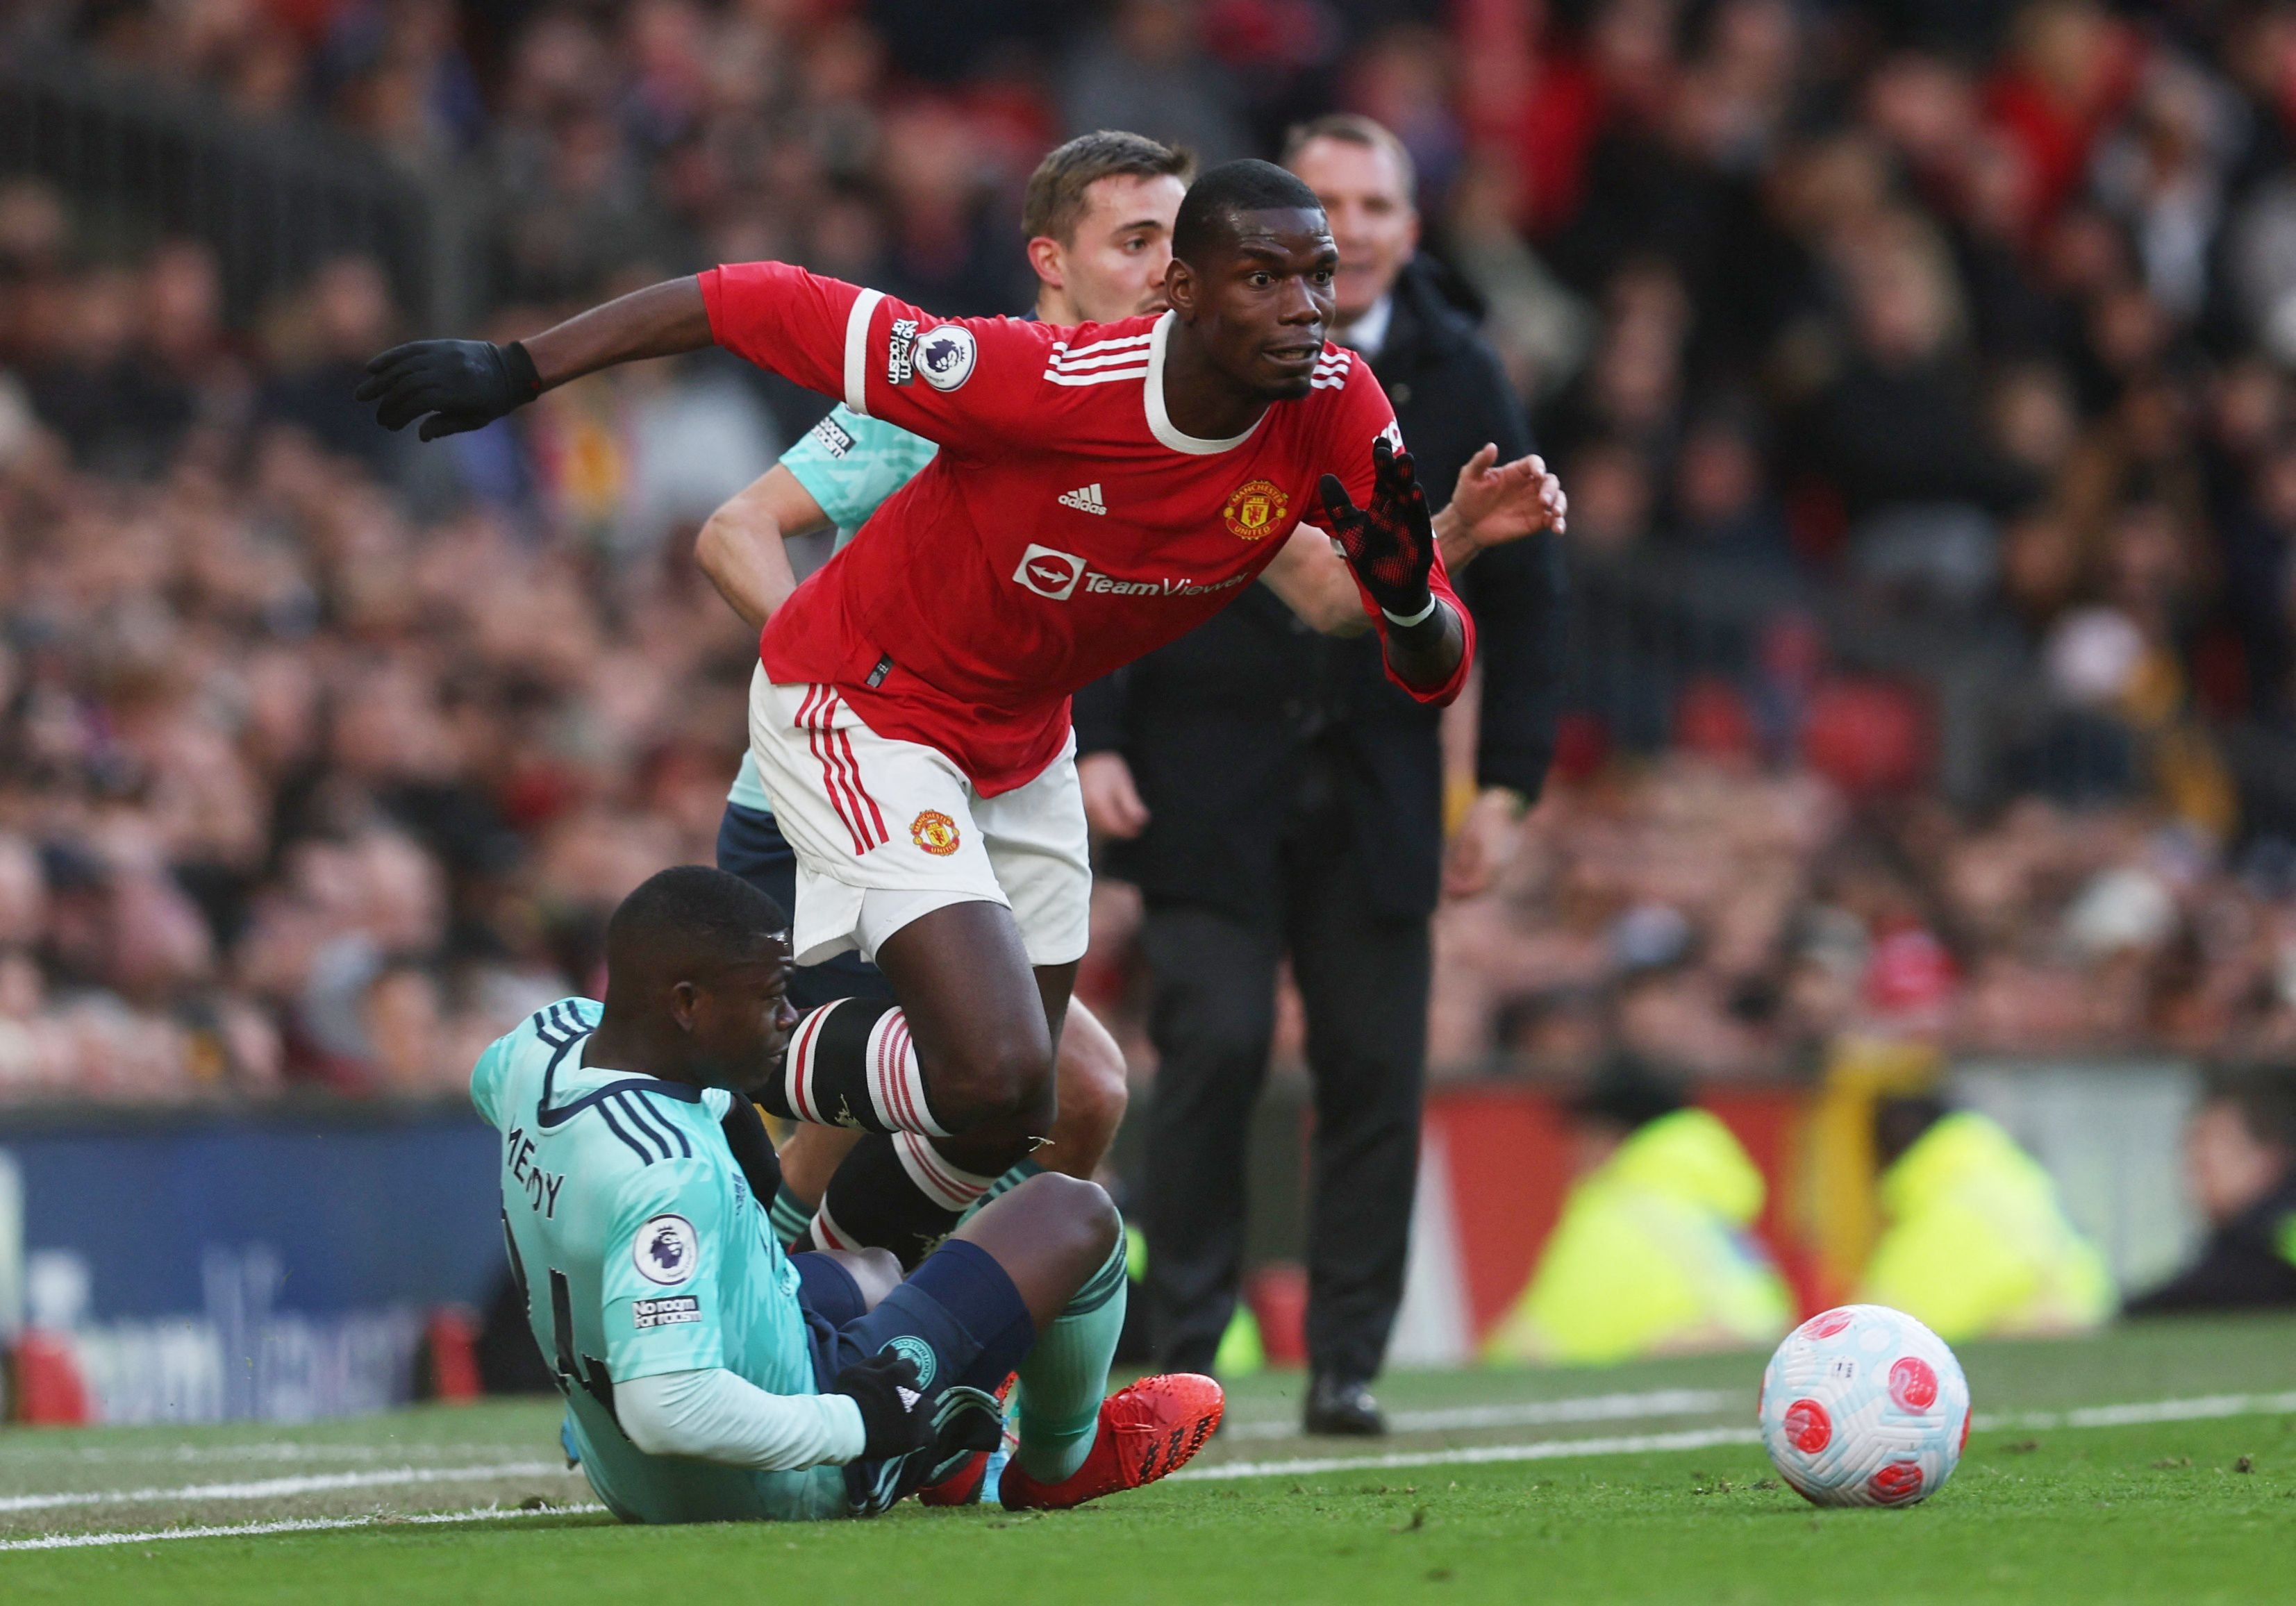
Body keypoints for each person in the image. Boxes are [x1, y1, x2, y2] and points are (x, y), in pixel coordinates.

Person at [360, 159, 1565, 1295]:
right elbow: (753, 300)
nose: (1308, 307)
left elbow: (1419, 651)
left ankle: (814, 1275)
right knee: (987, 1067)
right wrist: (519, 368)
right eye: (1266, 278)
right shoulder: (1030, 378)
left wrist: (1419, 580)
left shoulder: (1335, 401)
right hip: (865, 700)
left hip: (1020, 735)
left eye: (1319, 277)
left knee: (1017, 1101)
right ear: (1177, 291)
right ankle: (648, 1046)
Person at [696, 132, 1570, 1261]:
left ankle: (880, 1334)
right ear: (1052, 260)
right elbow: (733, 528)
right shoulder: (959, 382)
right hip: (839, 791)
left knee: (1075, 1096)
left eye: (1179, 239)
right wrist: (858, 697)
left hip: (985, 793)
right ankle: (783, 1309)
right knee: (939, 1086)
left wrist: (1432, 539)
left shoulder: (1202, 416)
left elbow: (1331, 593)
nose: (1166, 269)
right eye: (1139, 240)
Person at [1071, 115, 1570, 1434]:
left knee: (1370, 1072)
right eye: (1319, 202)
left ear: (1408, 225)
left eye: (1370, 205)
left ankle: (1346, 1360)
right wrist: (1100, 729)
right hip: (1204, 760)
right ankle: (1182, 1350)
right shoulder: (1178, 348)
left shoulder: (1460, 370)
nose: (1339, 234)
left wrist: (1508, 782)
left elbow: (1530, 596)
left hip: (1381, 779)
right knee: (1213, 1047)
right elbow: (1107, 527)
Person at [473, 864, 1222, 1521]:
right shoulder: (667, 1176)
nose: (788, 1017)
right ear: (686, 1005)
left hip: (625, 1467)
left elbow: (503, 1093)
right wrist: (857, 1423)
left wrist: (721, 1120)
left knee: (873, 1271)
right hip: (767, 1482)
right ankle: (1059, 1465)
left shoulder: (543, 1046)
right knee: (1074, 1211)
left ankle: (954, 1446)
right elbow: (668, 1408)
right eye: (770, 996)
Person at [1483, 1055, 1793, 1366]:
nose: (1572, 1154)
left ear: (1606, 1136)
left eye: (1580, 1136)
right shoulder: (1695, 1199)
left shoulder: (1619, 1205)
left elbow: (1540, 1342)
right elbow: (1767, 1316)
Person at [1857, 1095, 2116, 1342]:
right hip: (2091, 1321)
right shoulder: (2012, 1172)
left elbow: (1870, 1331)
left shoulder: (1935, 1207)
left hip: (2015, 1343)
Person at [2127, 1074, 2296, 1313]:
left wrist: (2131, 1314)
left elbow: (2228, 1282)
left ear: (2266, 1159)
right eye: (2192, 1158)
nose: (2194, 1172)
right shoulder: (2240, 1238)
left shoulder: (2271, 1233)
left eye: (2209, 1157)